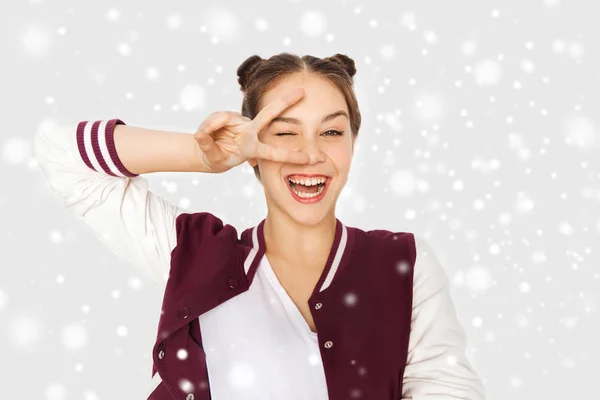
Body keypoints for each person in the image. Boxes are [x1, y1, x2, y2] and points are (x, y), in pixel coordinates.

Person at [33, 52, 486, 399]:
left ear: (353, 142)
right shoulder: (192, 254)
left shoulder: (403, 263)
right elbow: (60, 153)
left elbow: (444, 387)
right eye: (284, 133)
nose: (310, 154)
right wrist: (203, 157)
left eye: (332, 132)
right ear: (252, 147)